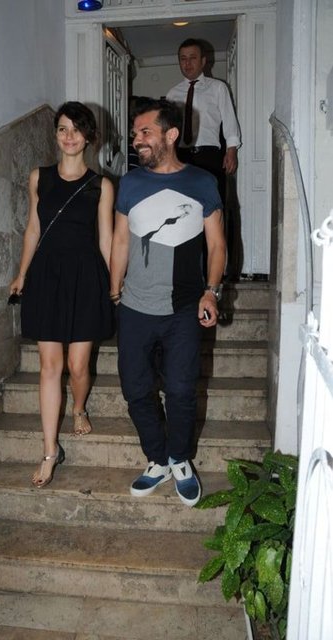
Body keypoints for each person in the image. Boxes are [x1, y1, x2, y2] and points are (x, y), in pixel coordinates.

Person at [110, 98, 226, 506]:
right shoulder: (130, 183)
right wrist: (114, 292)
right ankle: (157, 459)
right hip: (135, 307)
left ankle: (179, 458)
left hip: (183, 307)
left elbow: (217, 245)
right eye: (135, 134)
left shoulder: (202, 182)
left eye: (145, 132)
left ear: (171, 134)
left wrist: (212, 291)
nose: (136, 140)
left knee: (180, 389)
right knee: (136, 389)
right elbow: (120, 241)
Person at [10, 101, 114, 488]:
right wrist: (22, 273)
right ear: (56, 135)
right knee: (49, 366)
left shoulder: (102, 185)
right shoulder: (39, 177)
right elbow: (33, 229)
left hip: (86, 276)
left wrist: (112, 283)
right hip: (47, 276)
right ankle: (50, 450)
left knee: (79, 365)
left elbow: (106, 239)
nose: (69, 136)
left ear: (89, 137)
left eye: (76, 129)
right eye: (62, 129)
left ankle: (79, 406)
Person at [166, 38, 241, 196]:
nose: (187, 63)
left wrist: (231, 151)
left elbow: (229, 119)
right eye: (183, 59)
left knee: (211, 199)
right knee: (184, 200)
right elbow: (168, 128)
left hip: (209, 155)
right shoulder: (173, 93)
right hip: (181, 155)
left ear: (203, 61)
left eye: (193, 58)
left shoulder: (217, 88)